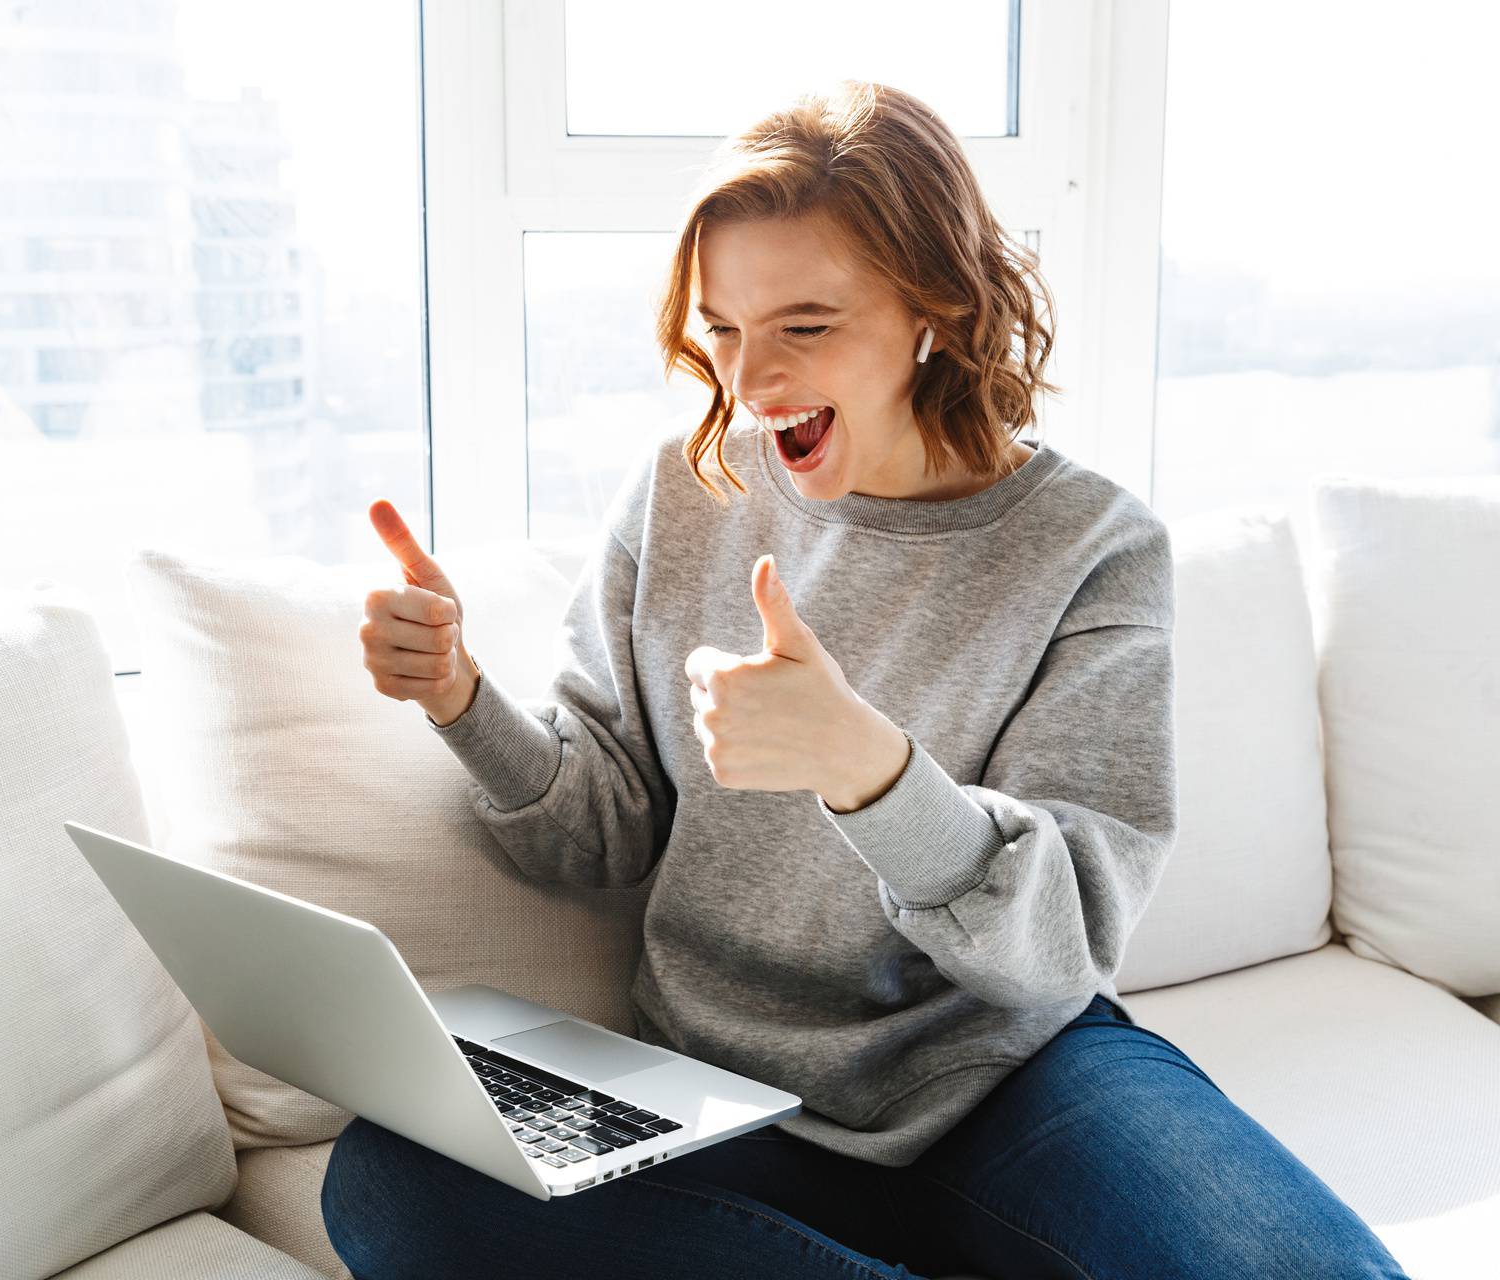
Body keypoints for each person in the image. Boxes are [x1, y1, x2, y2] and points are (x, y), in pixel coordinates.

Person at [328, 81, 1408, 1279]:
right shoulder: (684, 496)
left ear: (934, 309)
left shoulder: (1094, 548)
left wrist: (868, 769)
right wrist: (462, 698)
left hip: (1009, 1075)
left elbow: (1062, 948)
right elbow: (596, 834)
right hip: (712, 1092)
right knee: (393, 1171)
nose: (752, 380)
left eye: (806, 323)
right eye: (724, 329)